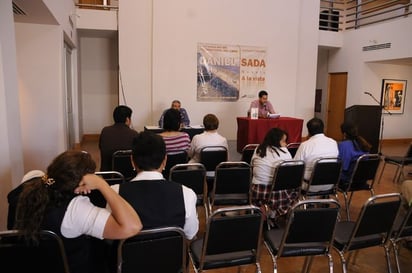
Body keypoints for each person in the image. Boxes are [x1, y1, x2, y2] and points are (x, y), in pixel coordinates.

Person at [8, 150, 142, 273]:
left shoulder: (30, 186)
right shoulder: (76, 210)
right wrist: (103, 185)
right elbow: (132, 226)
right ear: (83, 181)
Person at [109, 131, 199, 240]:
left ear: (132, 161)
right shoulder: (187, 194)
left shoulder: (114, 194)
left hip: (128, 257)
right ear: (165, 160)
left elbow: (110, 236)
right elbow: (190, 234)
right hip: (172, 256)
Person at [250, 128, 297, 222]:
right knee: (293, 191)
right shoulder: (285, 152)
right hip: (278, 193)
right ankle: (275, 212)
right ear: (276, 141)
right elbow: (289, 173)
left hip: (258, 191)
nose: (286, 144)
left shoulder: (258, 149)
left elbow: (252, 166)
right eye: (284, 141)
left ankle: (264, 210)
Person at [294, 117, 339, 192]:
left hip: (309, 185)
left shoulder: (305, 145)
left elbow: (296, 165)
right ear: (323, 129)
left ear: (309, 132)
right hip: (330, 184)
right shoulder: (333, 142)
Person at [99, 105, 138, 171]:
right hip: (129, 173)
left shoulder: (105, 131)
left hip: (108, 173)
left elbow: (101, 147)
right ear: (127, 119)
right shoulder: (134, 134)